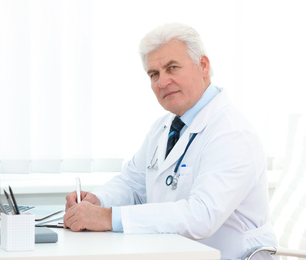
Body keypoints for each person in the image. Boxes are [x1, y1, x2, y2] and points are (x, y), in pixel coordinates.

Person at [63, 22, 277, 260]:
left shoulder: (232, 133)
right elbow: (132, 184)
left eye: (172, 68)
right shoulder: (164, 126)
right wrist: (97, 200)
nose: (162, 82)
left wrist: (107, 217)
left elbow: (201, 216)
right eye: (154, 74)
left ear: (203, 65)